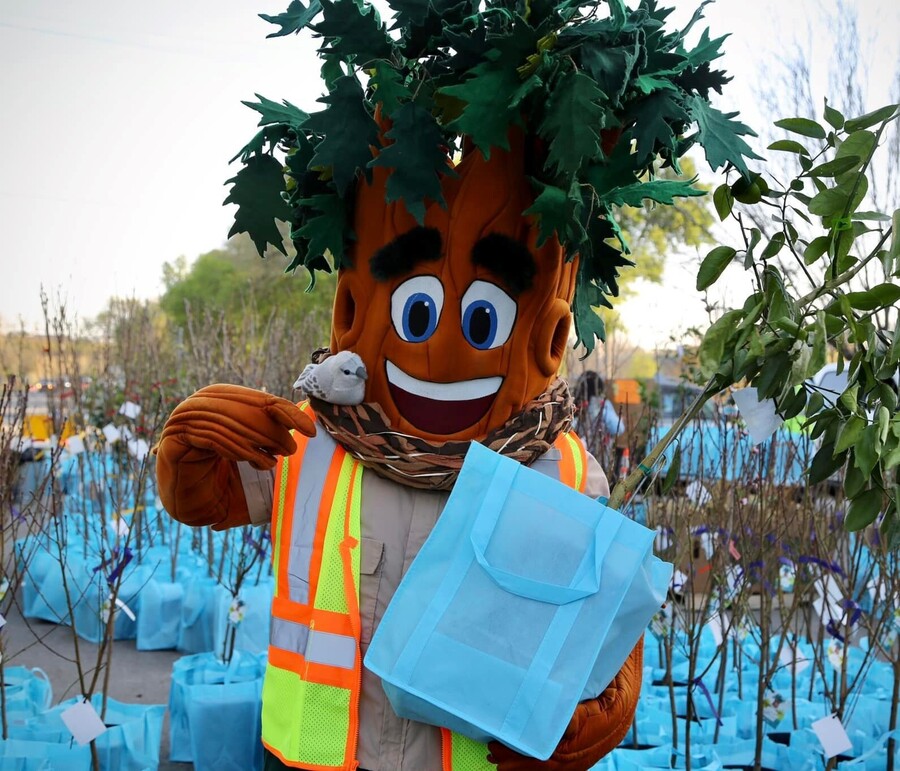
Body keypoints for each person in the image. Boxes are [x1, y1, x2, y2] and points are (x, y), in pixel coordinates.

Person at [155, 134, 644, 771]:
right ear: (351, 305)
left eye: (482, 319)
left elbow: (597, 628)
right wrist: (184, 452)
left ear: (548, 333)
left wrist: (606, 701)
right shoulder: (306, 441)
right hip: (319, 760)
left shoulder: (566, 472)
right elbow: (206, 501)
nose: (442, 351)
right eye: (417, 311)